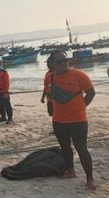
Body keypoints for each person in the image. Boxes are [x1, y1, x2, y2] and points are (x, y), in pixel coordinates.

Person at [45, 50, 96, 190]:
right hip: (59, 121)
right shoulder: (49, 78)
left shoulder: (79, 75)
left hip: (78, 120)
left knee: (82, 149)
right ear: (52, 63)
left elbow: (91, 92)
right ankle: (71, 171)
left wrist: (81, 107)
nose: (63, 64)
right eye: (59, 61)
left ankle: (90, 179)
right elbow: (50, 95)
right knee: (65, 148)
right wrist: (51, 107)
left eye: (65, 61)